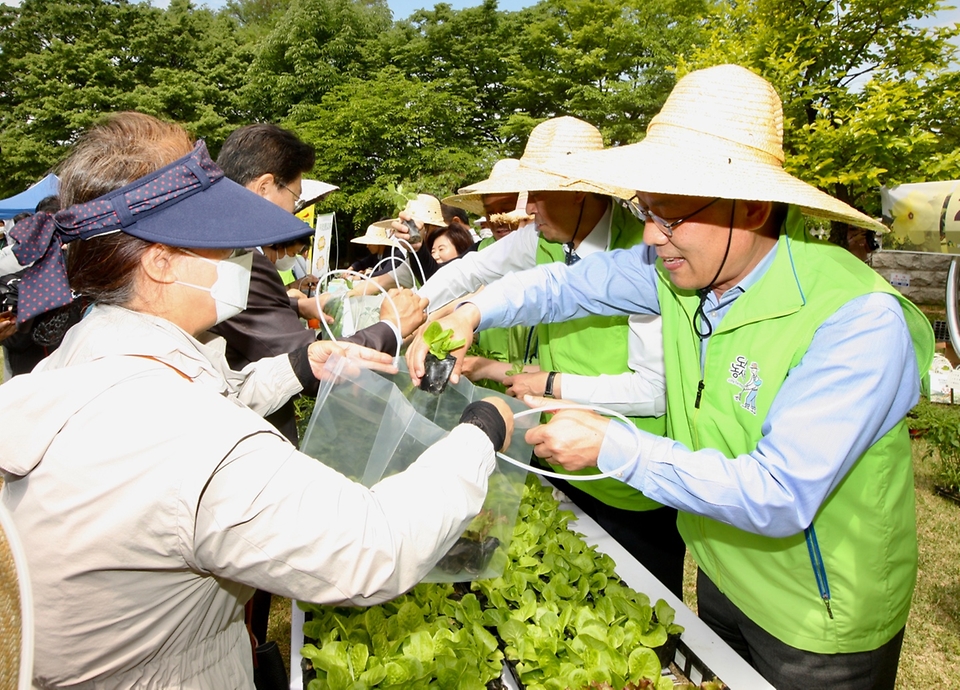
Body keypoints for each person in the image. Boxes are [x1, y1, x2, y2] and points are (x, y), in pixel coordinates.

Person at [408, 65, 934, 690]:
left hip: (817, 616)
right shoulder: (681, 268)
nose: (652, 235)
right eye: (648, 210)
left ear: (756, 205)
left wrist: (612, 445)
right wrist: (473, 309)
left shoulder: (855, 319)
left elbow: (779, 493)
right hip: (718, 570)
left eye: (673, 216)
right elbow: (567, 284)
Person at [0, 111, 513, 689]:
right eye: (222, 245)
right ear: (160, 262)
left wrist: (301, 363)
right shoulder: (183, 438)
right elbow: (374, 551)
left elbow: (215, 397)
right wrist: (480, 432)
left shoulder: (89, 348)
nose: (243, 258)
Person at [411, 117, 686, 598]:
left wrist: (551, 383)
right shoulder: (544, 239)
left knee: (635, 611)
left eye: (537, 192)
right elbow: (472, 271)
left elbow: (653, 391)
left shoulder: (649, 255)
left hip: (627, 480)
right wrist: (421, 315)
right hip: (561, 458)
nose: (527, 208)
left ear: (581, 192)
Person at [212, 123, 427, 446]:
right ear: (264, 187)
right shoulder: (237, 257)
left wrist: (297, 304)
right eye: (295, 199)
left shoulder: (218, 242)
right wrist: (391, 326)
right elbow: (306, 360)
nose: (294, 214)